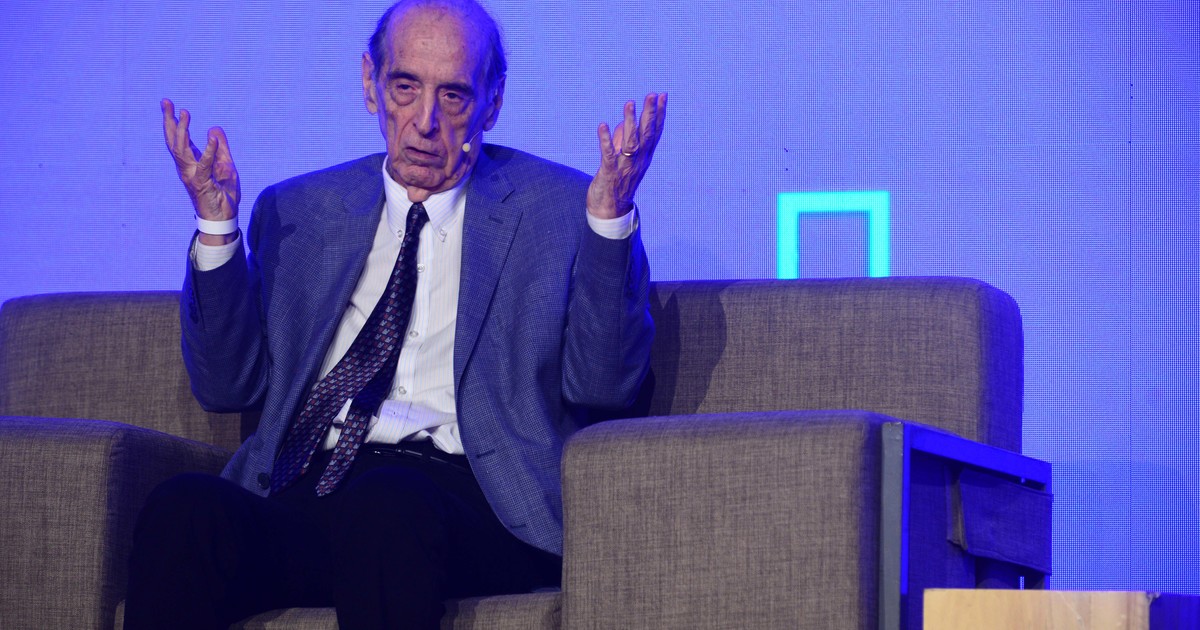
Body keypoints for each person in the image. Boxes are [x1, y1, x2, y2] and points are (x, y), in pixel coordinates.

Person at [124, 0, 665, 628]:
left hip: (472, 502)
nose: (425, 122)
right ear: (370, 84)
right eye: (405, 87)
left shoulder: (561, 209)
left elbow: (604, 385)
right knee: (184, 508)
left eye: (454, 96)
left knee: (386, 503)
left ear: (492, 103)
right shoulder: (299, 210)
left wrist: (609, 222)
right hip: (310, 487)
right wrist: (218, 228)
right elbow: (226, 387)